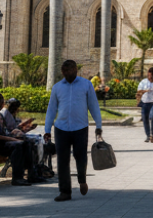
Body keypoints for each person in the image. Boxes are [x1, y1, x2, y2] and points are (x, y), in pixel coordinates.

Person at [45, 60, 104, 202]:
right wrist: (47, 130)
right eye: (65, 71)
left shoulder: (86, 85)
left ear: (76, 70)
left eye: (70, 70)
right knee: (62, 160)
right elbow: (51, 109)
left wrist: (98, 125)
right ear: (62, 72)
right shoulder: (57, 87)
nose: (68, 73)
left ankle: (82, 180)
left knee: (81, 156)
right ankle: (65, 192)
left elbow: (93, 105)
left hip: (80, 128)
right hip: (61, 128)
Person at [0, 92, 36, 186]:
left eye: (2, 103)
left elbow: (3, 131)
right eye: (0, 102)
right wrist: (8, 139)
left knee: (26, 143)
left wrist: (13, 135)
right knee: (18, 145)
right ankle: (17, 178)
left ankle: (32, 174)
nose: (1, 105)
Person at [2, 97, 54, 179]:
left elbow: (19, 129)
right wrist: (26, 124)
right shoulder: (6, 114)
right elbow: (12, 130)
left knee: (39, 139)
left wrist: (29, 128)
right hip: (11, 138)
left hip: (17, 136)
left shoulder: (13, 116)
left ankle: (37, 166)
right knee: (33, 142)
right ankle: (34, 168)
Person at [137, 67, 153, 143]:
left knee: (152, 117)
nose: (150, 77)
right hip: (145, 102)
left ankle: (152, 134)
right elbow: (138, 91)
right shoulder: (143, 82)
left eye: (151, 76)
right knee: (145, 119)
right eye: (149, 75)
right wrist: (145, 91)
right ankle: (148, 135)